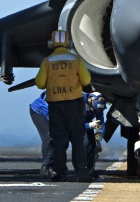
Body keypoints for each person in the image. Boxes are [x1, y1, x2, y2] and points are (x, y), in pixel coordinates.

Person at [35, 29, 93, 182]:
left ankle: (60, 173)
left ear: (51, 44)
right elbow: (86, 81)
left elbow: (40, 84)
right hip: (74, 104)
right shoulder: (76, 60)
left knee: (59, 140)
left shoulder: (47, 61)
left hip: (55, 105)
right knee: (77, 139)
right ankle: (81, 173)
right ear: (69, 43)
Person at [29, 90, 55, 178]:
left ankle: (52, 166)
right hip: (39, 111)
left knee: (61, 139)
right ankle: (46, 166)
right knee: (49, 138)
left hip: (52, 112)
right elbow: (47, 107)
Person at [83, 92, 107, 178]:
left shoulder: (98, 107)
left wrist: (100, 135)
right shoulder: (79, 102)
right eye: (95, 110)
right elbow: (74, 124)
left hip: (86, 123)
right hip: (71, 123)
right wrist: (89, 125)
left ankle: (89, 169)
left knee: (90, 144)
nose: (96, 112)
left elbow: (101, 122)